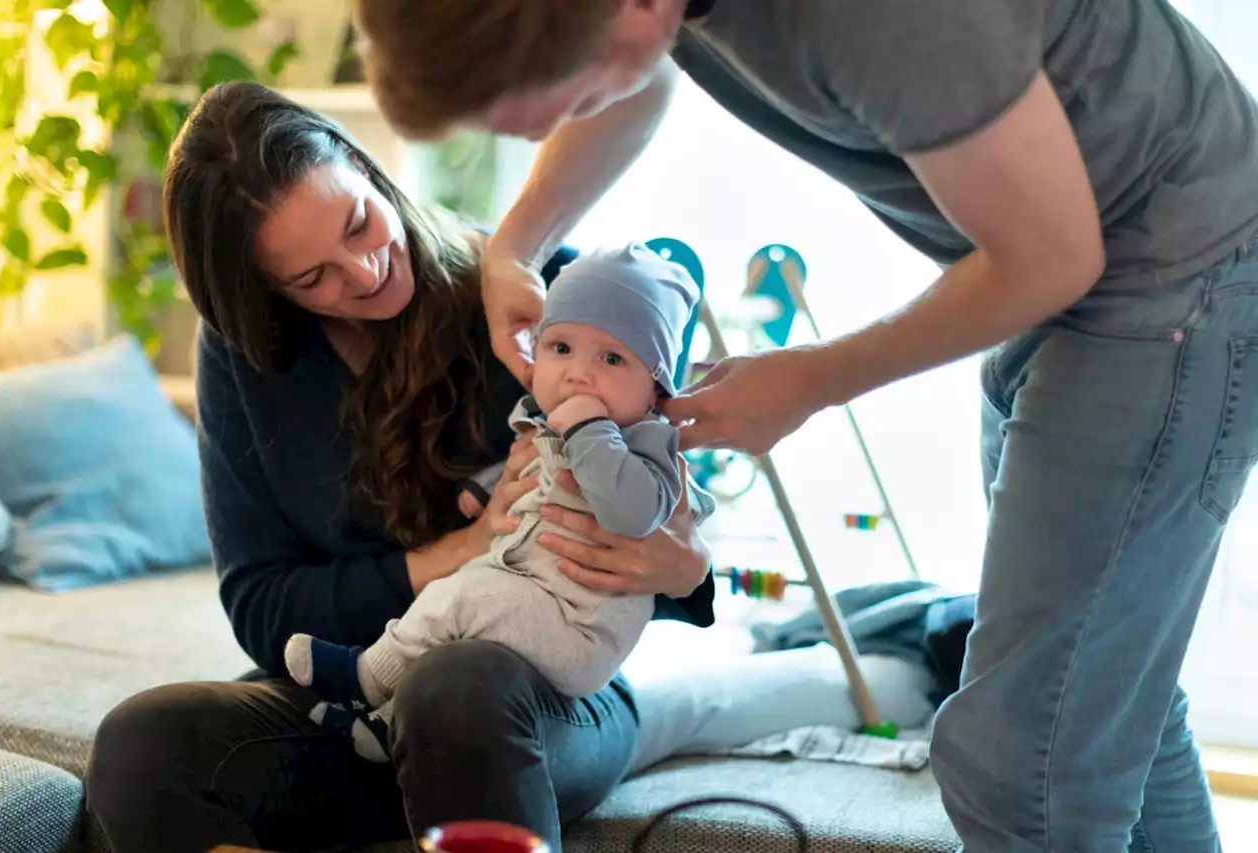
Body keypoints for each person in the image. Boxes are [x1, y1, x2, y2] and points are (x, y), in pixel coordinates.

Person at [350, 0, 1258, 850]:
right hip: (1070, 279)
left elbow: (1052, 253)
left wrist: (810, 380)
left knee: (1025, 757)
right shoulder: (648, 16)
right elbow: (638, 71)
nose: (538, 132)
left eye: (549, 101)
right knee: (1099, 695)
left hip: (1165, 273)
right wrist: (516, 243)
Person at [81, 81, 718, 853]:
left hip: (527, 708)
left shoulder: (538, 296)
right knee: (140, 744)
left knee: (451, 687)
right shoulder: (247, 360)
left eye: (358, 220)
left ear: (363, 164)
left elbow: (671, 519)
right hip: (353, 711)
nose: (364, 269)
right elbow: (262, 607)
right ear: (263, 293)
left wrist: (685, 567)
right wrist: (459, 551)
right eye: (313, 277)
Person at [283, 242, 713, 762]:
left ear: (653, 390)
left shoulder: (648, 444)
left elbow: (631, 510)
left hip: (579, 629)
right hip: (530, 597)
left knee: (466, 597)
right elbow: (527, 466)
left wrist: (589, 428)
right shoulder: (541, 423)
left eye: (613, 358)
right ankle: (386, 723)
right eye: (561, 349)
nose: (579, 372)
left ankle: (366, 676)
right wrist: (481, 491)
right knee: (454, 625)